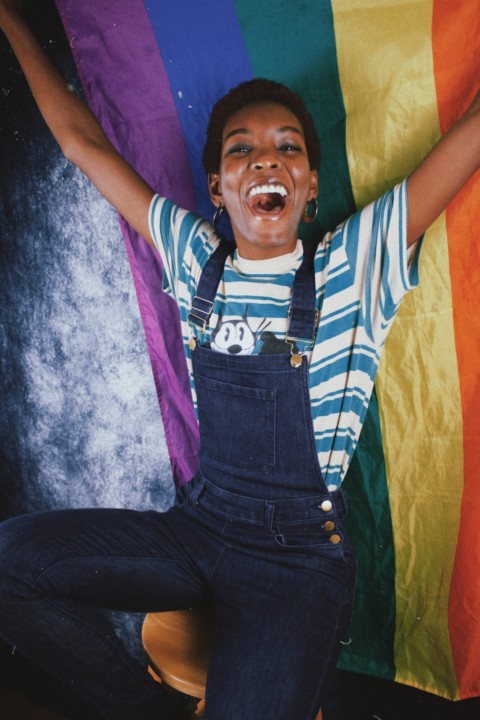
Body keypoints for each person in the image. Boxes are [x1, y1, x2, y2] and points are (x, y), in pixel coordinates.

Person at [0, 2, 479, 719]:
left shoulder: (355, 262)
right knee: (10, 563)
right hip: (199, 528)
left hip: (297, 564)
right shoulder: (194, 256)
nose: (266, 158)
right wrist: (8, 21)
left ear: (310, 187)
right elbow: (81, 144)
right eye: (240, 150)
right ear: (220, 192)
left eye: (289, 147)